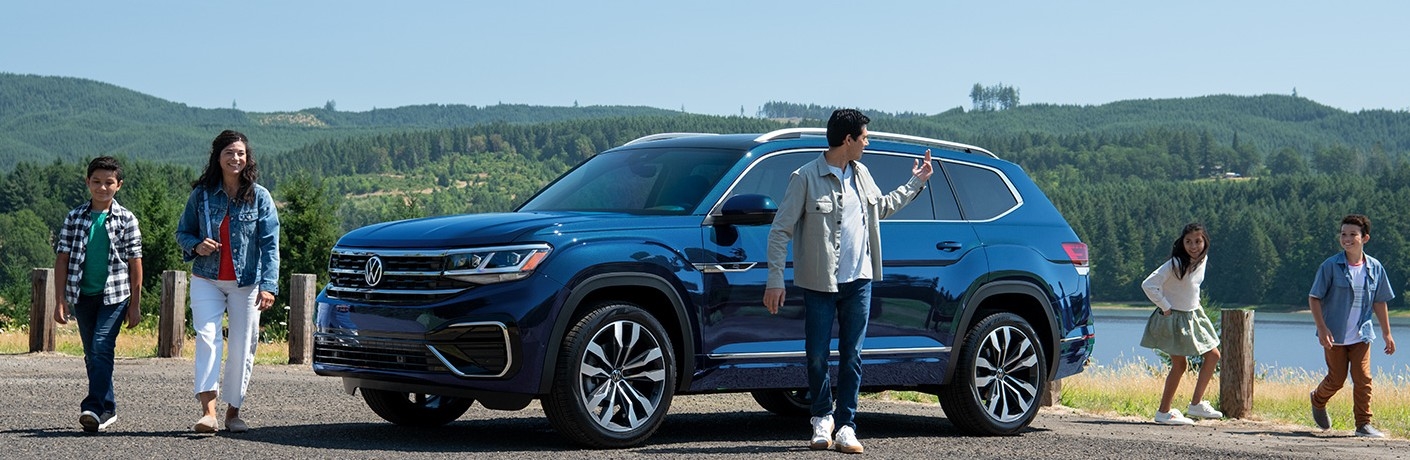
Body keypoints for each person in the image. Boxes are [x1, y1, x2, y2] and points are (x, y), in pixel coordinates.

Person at [763, 109, 932, 454]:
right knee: (817, 355)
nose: (867, 143)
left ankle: (847, 427)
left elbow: (881, 207)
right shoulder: (805, 177)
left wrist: (917, 182)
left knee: (852, 355)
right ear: (848, 139)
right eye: (864, 137)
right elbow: (780, 230)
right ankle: (821, 419)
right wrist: (775, 279)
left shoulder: (863, 174)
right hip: (819, 283)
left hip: (860, 281)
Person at [175, 130, 281, 434]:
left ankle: (234, 412)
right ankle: (208, 413)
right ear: (218, 158)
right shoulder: (202, 195)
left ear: (247, 158)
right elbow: (182, 232)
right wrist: (196, 246)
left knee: (242, 346)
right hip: (206, 278)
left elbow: (270, 244)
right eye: (229, 153)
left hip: (246, 282)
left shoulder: (260, 196)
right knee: (208, 340)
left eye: (241, 153)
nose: (236, 158)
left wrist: (269, 284)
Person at [53, 156, 144, 433]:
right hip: (83, 295)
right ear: (87, 182)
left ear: (119, 185)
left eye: (108, 183)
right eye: (96, 182)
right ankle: (107, 408)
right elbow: (62, 259)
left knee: (102, 345)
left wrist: (135, 305)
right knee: (92, 353)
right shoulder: (74, 216)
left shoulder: (126, 219)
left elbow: (135, 262)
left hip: (115, 296)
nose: (102, 188)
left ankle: (92, 406)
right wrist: (59, 300)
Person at [1308, 214, 1396, 438]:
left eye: (1352, 235)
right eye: (1343, 234)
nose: (1347, 239)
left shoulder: (1375, 267)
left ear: (1364, 238)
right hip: (1334, 334)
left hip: (1362, 333)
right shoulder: (1330, 266)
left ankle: (1363, 425)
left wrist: (1387, 333)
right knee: (1336, 379)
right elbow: (1314, 298)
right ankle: (1317, 399)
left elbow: (1379, 300)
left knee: (1363, 378)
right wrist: (1322, 328)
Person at [1140, 222, 1223, 425]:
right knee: (1180, 364)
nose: (1193, 246)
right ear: (1182, 243)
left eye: (1197, 241)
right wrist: (1166, 306)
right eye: (1188, 242)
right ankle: (1163, 412)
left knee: (1213, 356)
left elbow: (1192, 287)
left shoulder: (1202, 260)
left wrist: (1196, 306)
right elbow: (1148, 285)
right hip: (1173, 318)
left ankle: (1196, 405)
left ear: (1205, 242)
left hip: (1193, 314)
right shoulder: (1176, 263)